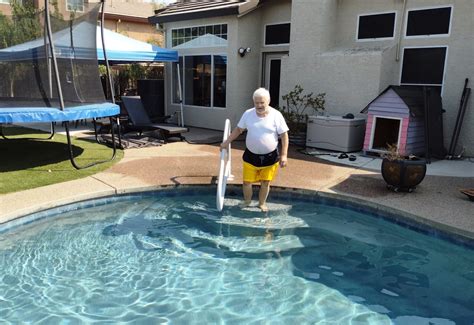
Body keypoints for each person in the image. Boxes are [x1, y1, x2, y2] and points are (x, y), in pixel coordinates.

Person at [220, 88, 289, 212]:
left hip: (270, 157)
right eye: (256, 102)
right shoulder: (248, 114)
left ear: (268, 101)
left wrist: (284, 155)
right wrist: (226, 142)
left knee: (265, 182)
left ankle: (262, 203)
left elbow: (284, 135)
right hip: (250, 156)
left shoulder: (276, 115)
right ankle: (247, 201)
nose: (259, 105)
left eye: (262, 102)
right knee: (247, 182)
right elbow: (238, 130)